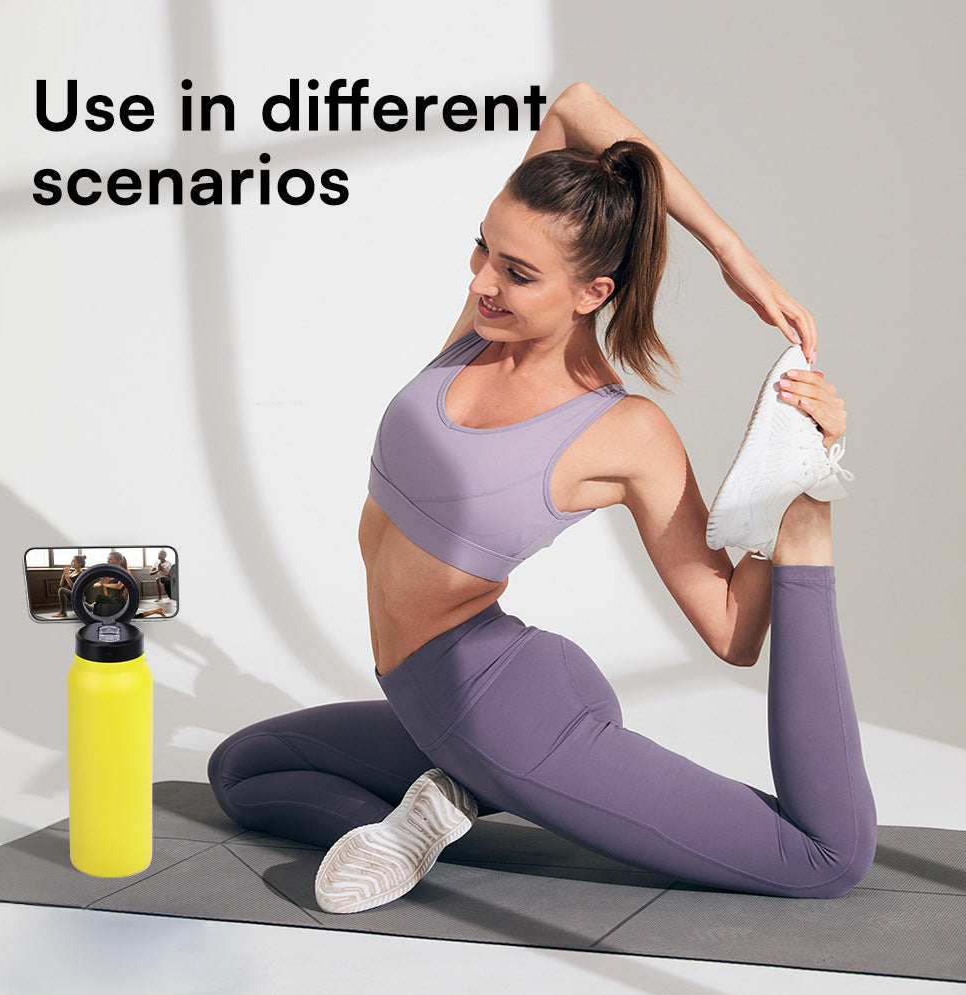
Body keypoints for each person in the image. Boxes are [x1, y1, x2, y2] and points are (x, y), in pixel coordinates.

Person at [208, 82, 875, 913]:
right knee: (242, 771)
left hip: (507, 715)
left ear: (592, 293)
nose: (485, 281)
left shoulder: (624, 431)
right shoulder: (479, 332)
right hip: (446, 692)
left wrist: (800, 497)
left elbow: (734, 633)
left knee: (823, 861)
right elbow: (576, 107)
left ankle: (464, 790)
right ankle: (432, 812)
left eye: (517, 273)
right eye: (482, 250)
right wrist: (731, 253)